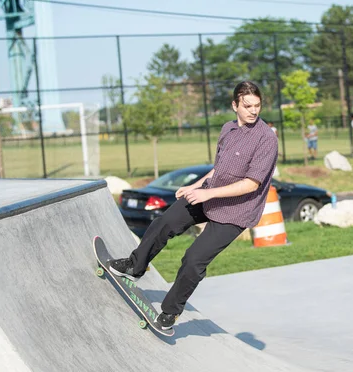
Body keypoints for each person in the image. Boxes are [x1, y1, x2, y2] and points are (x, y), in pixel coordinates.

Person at [109, 81, 278, 331]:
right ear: (234, 105)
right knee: (164, 222)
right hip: (209, 194)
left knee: (194, 259)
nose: (253, 111)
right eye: (247, 106)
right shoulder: (228, 129)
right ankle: (135, 266)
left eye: (257, 105)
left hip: (236, 211)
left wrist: (207, 195)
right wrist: (195, 187)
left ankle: (170, 312)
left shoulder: (266, 139)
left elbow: (251, 185)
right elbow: (219, 169)